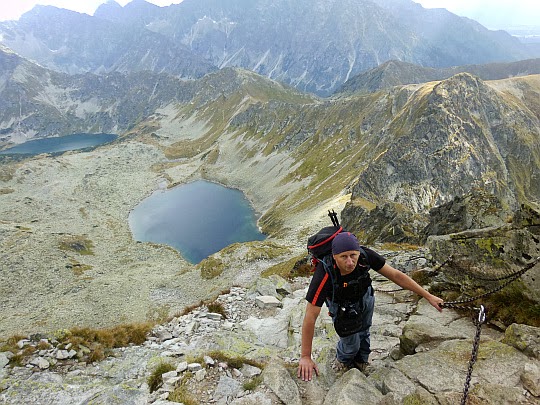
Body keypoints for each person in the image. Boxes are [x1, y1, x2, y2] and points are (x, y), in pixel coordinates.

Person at [297, 232, 444, 382]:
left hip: (365, 298)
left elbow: (396, 275)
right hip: (341, 306)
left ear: (358, 252)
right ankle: (343, 359)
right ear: (334, 256)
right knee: (351, 344)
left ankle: (362, 360)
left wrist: (428, 296)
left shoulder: (365, 256)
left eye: (353, 255)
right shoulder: (324, 273)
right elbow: (310, 316)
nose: (350, 262)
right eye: (344, 257)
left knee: (365, 330)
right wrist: (305, 356)